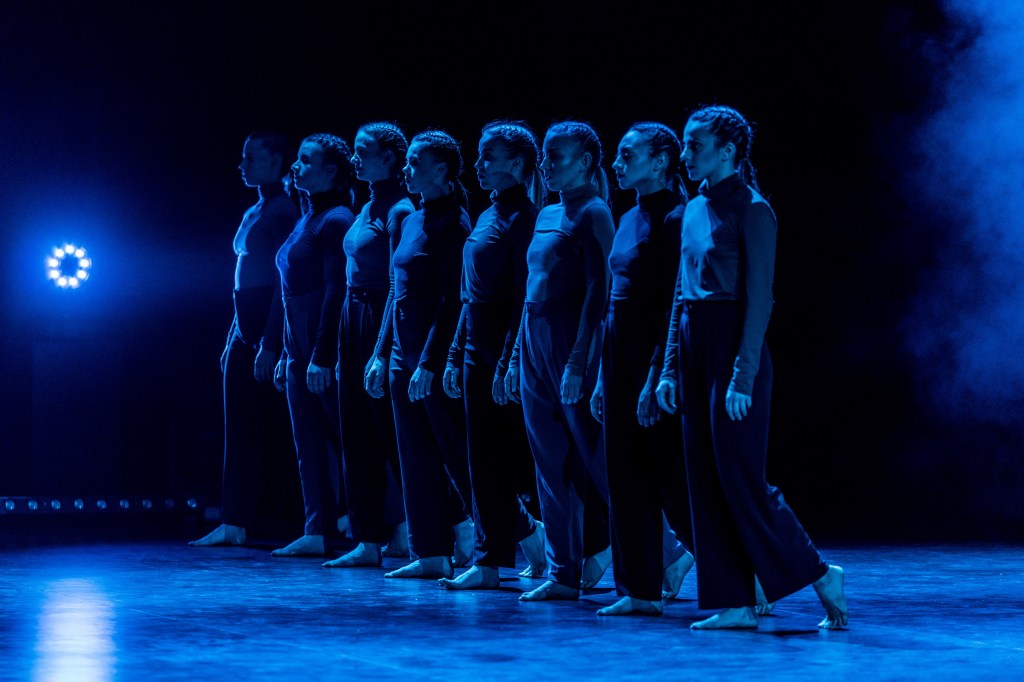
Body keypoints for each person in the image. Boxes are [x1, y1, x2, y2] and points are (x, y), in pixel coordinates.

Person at [654, 105, 848, 630]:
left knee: (740, 478)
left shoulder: (754, 209)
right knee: (703, 481)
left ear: (728, 151)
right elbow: (680, 294)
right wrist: (669, 368)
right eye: (686, 143)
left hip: (734, 345)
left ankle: (820, 573)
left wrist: (742, 376)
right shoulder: (694, 208)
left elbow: (760, 299)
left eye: (696, 145)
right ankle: (734, 602)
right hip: (693, 343)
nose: (686, 154)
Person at [504, 120, 618, 602]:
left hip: (573, 342)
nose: (546, 165)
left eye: (558, 156)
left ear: (585, 162)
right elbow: (529, 291)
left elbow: (600, 292)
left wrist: (578, 362)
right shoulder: (546, 212)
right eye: (546, 156)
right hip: (535, 341)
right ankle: (562, 572)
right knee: (549, 462)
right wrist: (515, 358)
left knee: (599, 460)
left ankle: (667, 550)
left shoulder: (595, 212)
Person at [589, 122, 696, 616]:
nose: (617, 163)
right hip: (618, 355)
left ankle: (742, 574)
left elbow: (673, 304)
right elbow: (614, 301)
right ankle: (638, 590)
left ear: (660, 161)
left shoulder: (678, 217)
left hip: (656, 357)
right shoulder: (627, 215)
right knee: (624, 473)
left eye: (628, 154)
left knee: (672, 476)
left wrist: (657, 373)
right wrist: (601, 375)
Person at [438, 120, 549, 590]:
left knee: (513, 459)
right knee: (480, 459)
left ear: (517, 163)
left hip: (505, 346)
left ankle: (571, 546)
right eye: (480, 155)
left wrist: (507, 361)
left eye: (489, 156)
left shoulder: (525, 218)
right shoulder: (487, 213)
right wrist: (453, 354)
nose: (478, 164)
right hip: (473, 345)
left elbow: (522, 296)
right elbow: (469, 294)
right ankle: (488, 562)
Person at [364, 129, 475, 579]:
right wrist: (380, 352)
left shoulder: (455, 222)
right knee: (413, 455)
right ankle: (429, 553)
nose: (407, 171)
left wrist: (430, 361)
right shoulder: (411, 219)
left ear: (441, 169)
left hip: (431, 356)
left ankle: (520, 533)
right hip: (400, 355)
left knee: (456, 453)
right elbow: (396, 291)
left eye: (415, 163)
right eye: (406, 162)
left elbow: (452, 299)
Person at [190, 130, 302, 548]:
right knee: (237, 424)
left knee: (285, 427)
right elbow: (243, 280)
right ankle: (234, 520)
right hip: (244, 322)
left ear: (275, 162)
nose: (242, 165)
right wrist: (233, 335)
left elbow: (283, 281)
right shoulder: (256, 208)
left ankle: (321, 519)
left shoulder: (285, 209)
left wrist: (271, 341)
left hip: (269, 320)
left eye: (251, 158)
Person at [322, 122, 414, 568]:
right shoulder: (366, 204)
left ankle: (446, 526)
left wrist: (380, 349)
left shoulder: (400, 209)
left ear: (389, 158)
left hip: (380, 315)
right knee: (355, 430)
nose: (355, 159)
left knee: (390, 433)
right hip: (352, 312)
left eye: (364, 151)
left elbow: (398, 283)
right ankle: (368, 539)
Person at [271, 132, 355, 557]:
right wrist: (287, 351)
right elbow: (288, 290)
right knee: (307, 439)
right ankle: (316, 528)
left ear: (331, 170)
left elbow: (335, 289)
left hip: (322, 335)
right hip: (297, 336)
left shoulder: (336, 219)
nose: (296, 166)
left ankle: (393, 524)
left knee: (348, 435)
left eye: (306, 160)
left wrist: (322, 353)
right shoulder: (306, 217)